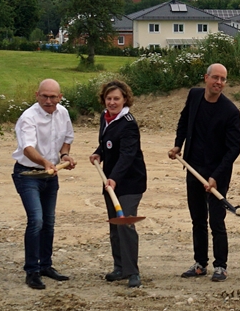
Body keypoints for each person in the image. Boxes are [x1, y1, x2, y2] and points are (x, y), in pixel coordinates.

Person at [169, 63, 240, 282]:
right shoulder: (194, 96)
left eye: (223, 79)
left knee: (217, 221)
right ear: (206, 78)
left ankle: (221, 266)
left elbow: (233, 149)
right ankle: (200, 263)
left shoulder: (230, 111)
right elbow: (184, 121)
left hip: (217, 173)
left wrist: (216, 176)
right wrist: (178, 144)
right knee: (198, 219)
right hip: (193, 167)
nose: (219, 82)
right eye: (215, 78)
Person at [11, 79, 76, 290]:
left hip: (50, 175)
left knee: (49, 221)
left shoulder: (63, 113)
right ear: (36, 95)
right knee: (36, 220)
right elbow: (28, 148)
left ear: (60, 97)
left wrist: (64, 155)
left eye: (53, 97)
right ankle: (32, 270)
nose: (48, 101)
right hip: (28, 174)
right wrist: (45, 162)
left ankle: (46, 265)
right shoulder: (28, 117)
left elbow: (67, 138)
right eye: (44, 96)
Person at [90, 80, 147, 288]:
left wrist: (114, 178)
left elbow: (127, 155)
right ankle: (120, 267)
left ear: (125, 100)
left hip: (130, 182)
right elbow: (107, 143)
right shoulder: (105, 117)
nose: (112, 102)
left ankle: (133, 272)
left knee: (125, 224)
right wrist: (99, 152)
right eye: (109, 98)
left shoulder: (128, 123)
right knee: (115, 224)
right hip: (110, 181)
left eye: (116, 98)